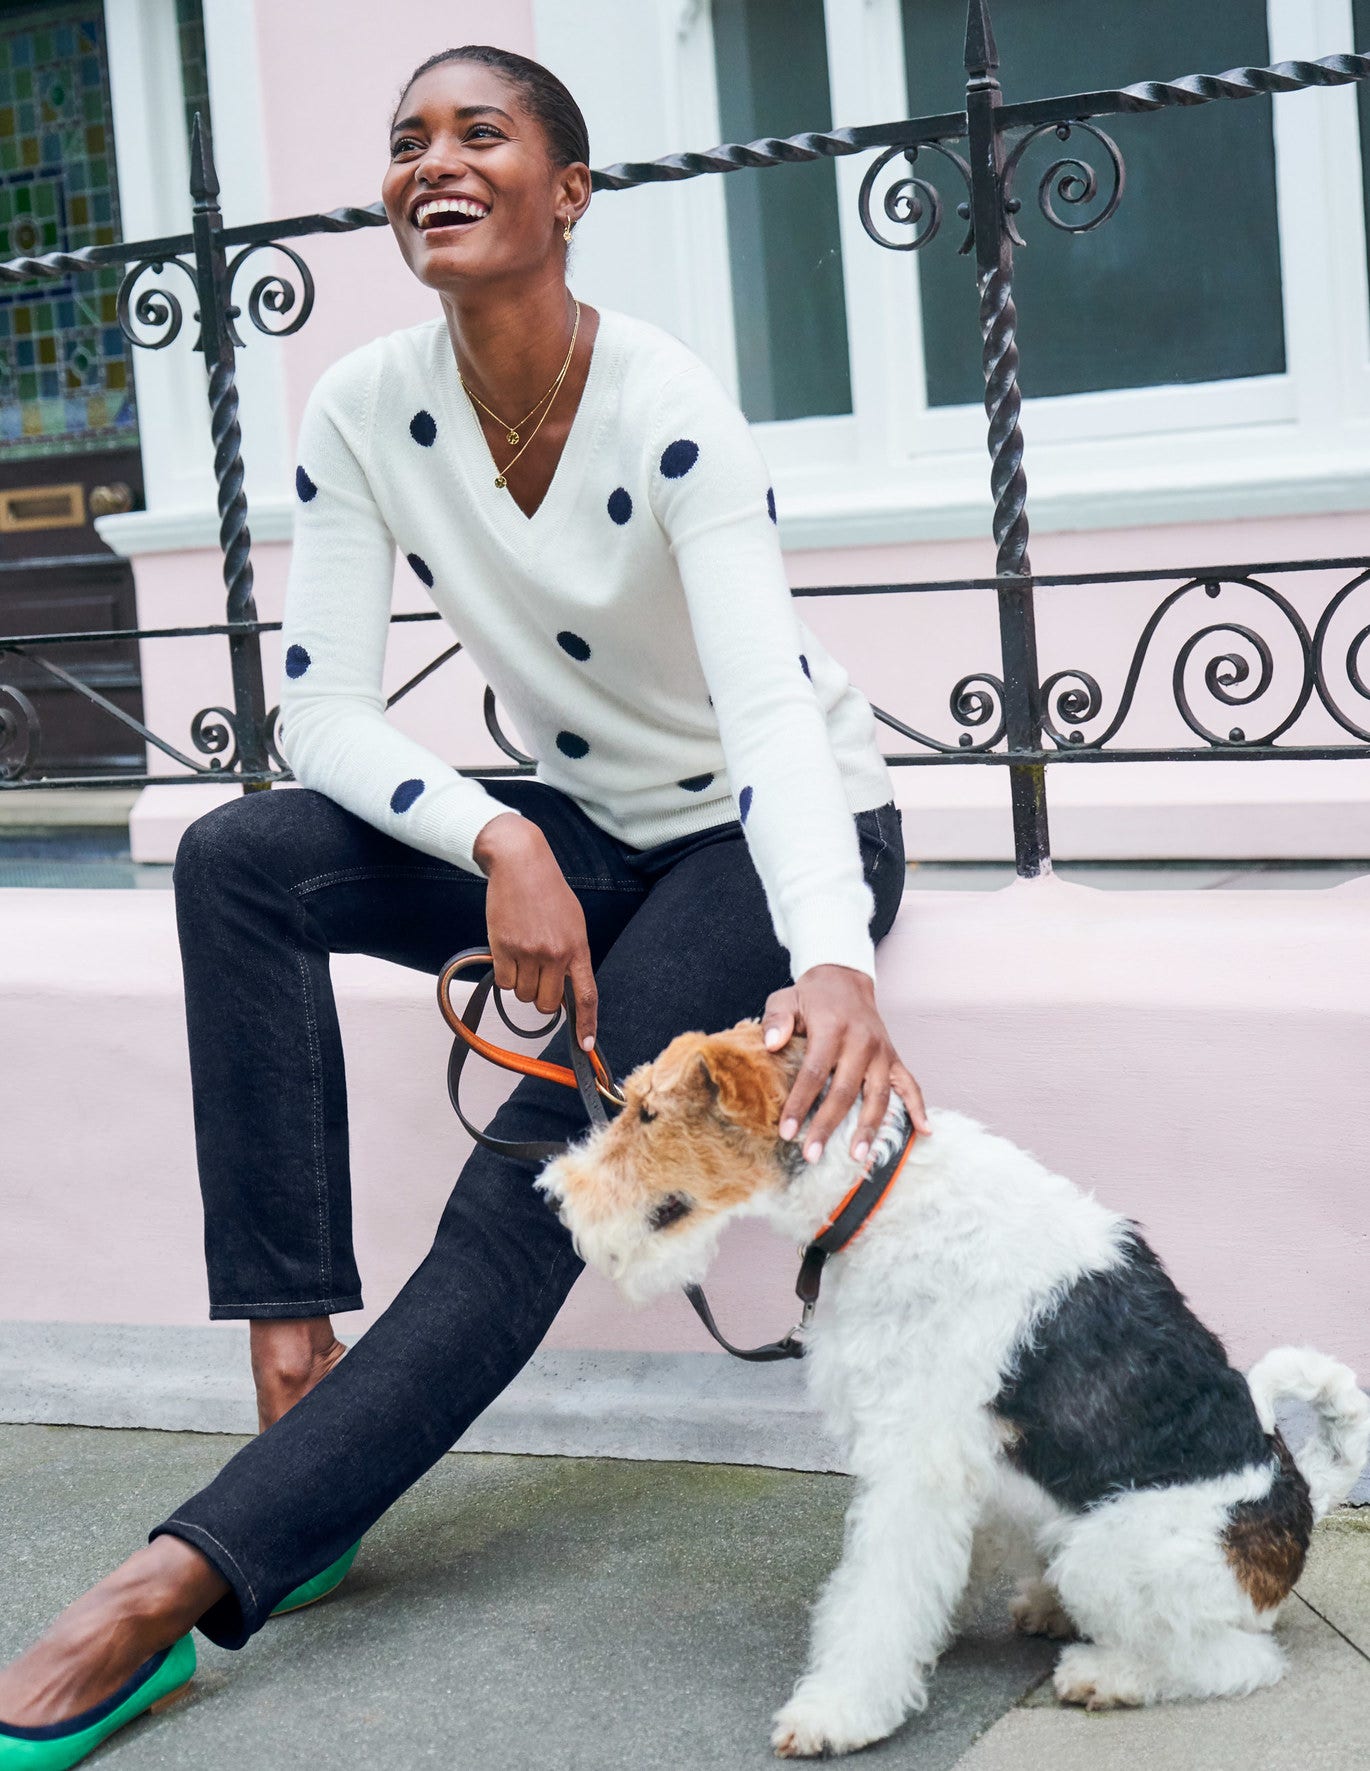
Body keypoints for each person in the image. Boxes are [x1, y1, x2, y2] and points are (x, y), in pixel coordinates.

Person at [0, 44, 927, 1763]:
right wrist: (499, 841)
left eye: (479, 133)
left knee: (539, 1175)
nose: (433, 160)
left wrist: (830, 958)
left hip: (768, 835)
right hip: (577, 829)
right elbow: (323, 710)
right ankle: (295, 1370)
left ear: (566, 194)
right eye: (406, 139)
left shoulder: (665, 402)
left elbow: (769, 717)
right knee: (240, 859)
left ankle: (161, 1594)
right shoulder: (365, 405)